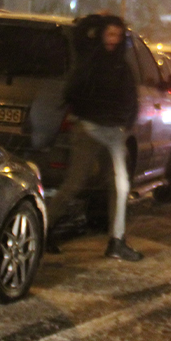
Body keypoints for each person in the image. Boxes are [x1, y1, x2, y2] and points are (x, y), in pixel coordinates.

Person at [50, 14, 143, 262]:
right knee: (73, 184)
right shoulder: (89, 54)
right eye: (109, 33)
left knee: (120, 186)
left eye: (117, 35)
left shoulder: (121, 66)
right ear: (101, 33)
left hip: (113, 133)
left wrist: (125, 123)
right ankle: (43, 228)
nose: (112, 40)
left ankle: (117, 240)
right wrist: (99, 18)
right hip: (87, 129)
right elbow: (79, 30)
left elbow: (131, 100)